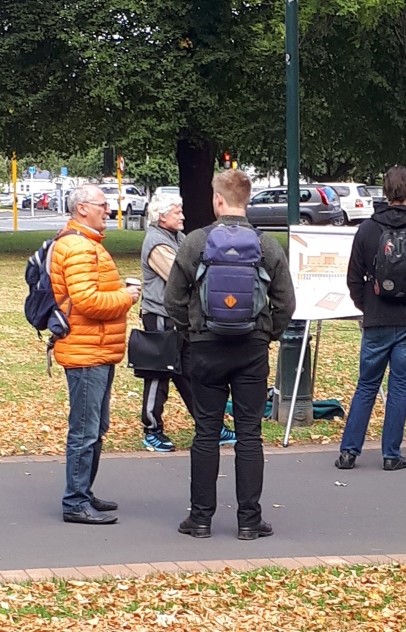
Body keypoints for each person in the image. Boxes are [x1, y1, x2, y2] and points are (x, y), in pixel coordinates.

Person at [165, 170, 295, 540]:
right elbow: (286, 302)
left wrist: (193, 331)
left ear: (218, 200)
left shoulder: (195, 242)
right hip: (251, 349)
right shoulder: (267, 245)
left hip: (206, 347)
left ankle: (200, 519)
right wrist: (267, 334)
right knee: (249, 434)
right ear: (247, 200)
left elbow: (173, 299)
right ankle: (249, 521)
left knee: (206, 431)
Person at [335, 166, 406, 471]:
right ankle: (391, 454)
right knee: (399, 387)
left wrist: (367, 306)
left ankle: (349, 452)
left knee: (366, 385)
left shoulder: (367, 229)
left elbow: (354, 278)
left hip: (377, 318)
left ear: (384, 191)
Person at [50, 184, 141, 525]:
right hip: (86, 351)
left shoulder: (87, 244)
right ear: (82, 208)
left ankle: (83, 492)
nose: (109, 210)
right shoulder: (78, 247)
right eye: (103, 204)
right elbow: (87, 301)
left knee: (94, 427)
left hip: (96, 348)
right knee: (85, 431)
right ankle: (75, 501)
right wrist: (126, 297)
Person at [138, 193, 236, 452]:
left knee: (191, 373)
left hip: (179, 317)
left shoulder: (177, 237)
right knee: (158, 374)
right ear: (162, 217)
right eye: (177, 212)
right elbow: (181, 276)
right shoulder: (157, 242)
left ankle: (210, 426)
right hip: (160, 316)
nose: (183, 216)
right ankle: (152, 430)